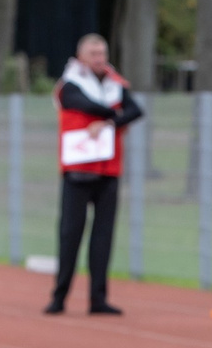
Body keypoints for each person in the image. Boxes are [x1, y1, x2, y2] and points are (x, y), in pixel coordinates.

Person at [49, 33, 145, 316]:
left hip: (108, 170)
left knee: (103, 237)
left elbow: (136, 110)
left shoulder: (116, 85)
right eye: (93, 54)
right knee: (70, 235)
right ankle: (59, 296)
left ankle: (98, 298)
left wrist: (108, 122)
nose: (99, 59)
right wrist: (113, 117)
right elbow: (84, 104)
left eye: (102, 53)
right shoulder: (69, 85)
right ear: (81, 57)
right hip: (77, 170)